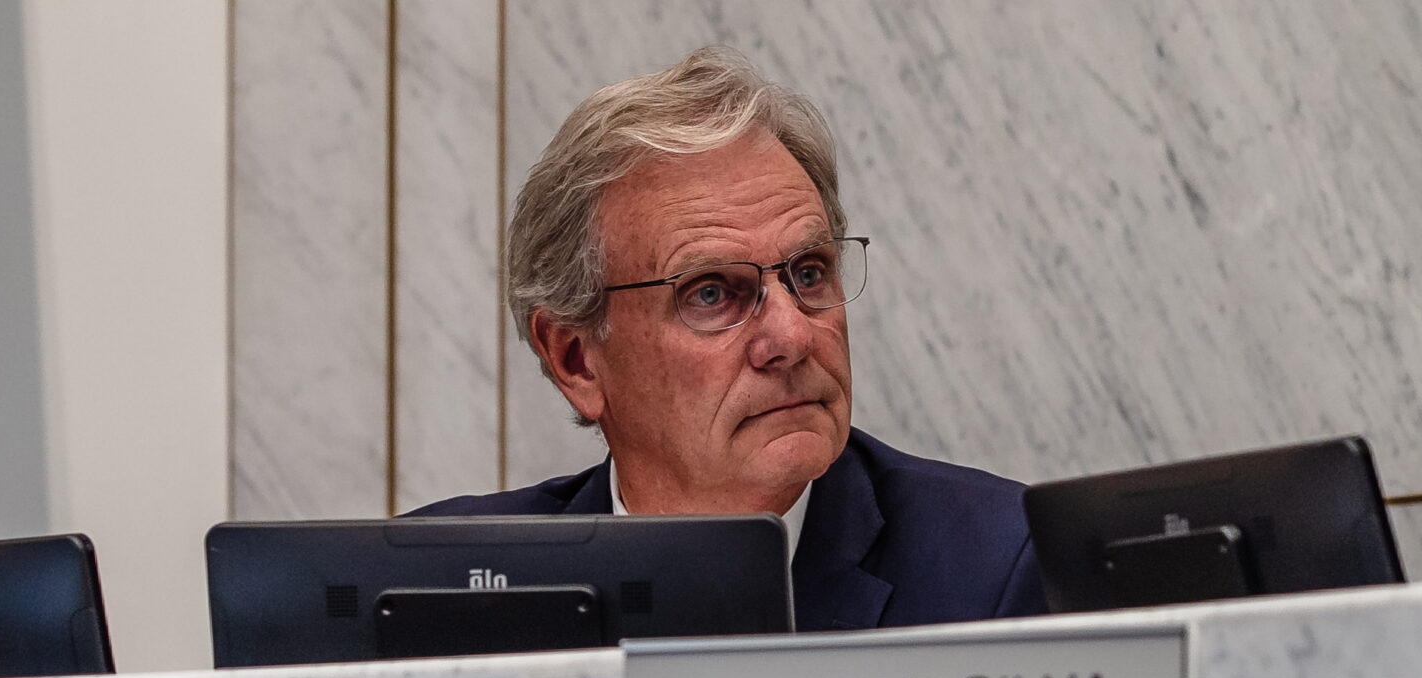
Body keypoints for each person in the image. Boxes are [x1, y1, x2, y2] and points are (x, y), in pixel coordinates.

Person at [407, 46, 1047, 630]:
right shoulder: (432, 592)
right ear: (577, 360)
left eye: (809, 272)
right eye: (711, 293)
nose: (792, 335)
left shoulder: (1003, 570)